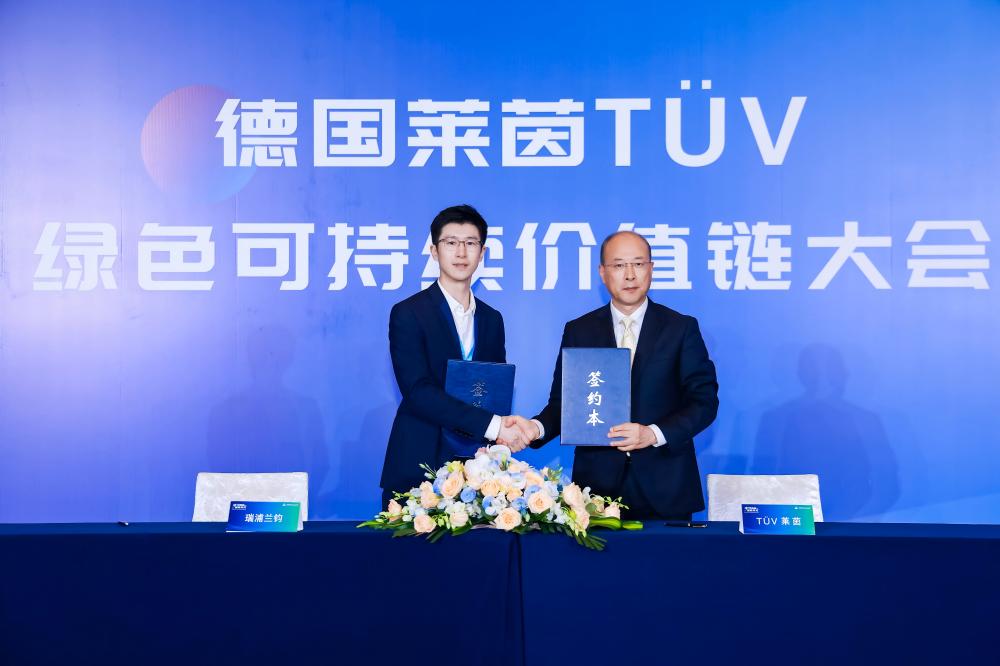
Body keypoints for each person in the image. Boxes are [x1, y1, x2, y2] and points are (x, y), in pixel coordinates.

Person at [506, 230, 719, 520]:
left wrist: (652, 433)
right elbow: (564, 405)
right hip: (596, 493)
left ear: (651, 268)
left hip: (667, 488)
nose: (630, 275)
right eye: (619, 265)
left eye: (638, 264)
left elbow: (703, 402)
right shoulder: (579, 330)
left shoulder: (681, 328)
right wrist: (535, 428)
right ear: (602, 273)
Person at [380, 205, 526, 509]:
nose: (461, 252)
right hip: (419, 464)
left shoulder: (492, 319)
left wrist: (499, 433)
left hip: (479, 473)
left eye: (470, 243)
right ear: (434, 251)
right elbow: (418, 391)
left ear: (482, 252)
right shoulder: (408, 313)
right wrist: (494, 426)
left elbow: (493, 389)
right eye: (451, 242)